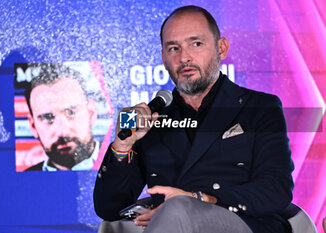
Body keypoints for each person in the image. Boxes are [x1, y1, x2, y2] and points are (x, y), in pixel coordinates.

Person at [94, 5, 294, 233]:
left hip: (244, 223)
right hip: (168, 226)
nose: (184, 57)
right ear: (163, 58)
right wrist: (122, 146)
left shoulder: (260, 107)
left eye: (196, 44)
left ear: (221, 48)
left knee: (177, 208)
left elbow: (276, 189)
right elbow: (108, 209)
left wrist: (199, 199)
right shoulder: (150, 117)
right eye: (173, 48)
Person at [24, 63, 99, 171]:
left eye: (71, 112)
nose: (62, 132)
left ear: (91, 113)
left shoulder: (126, 166)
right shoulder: (22, 182)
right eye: (47, 118)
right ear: (33, 126)